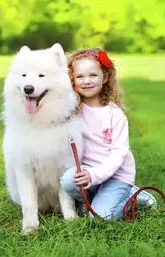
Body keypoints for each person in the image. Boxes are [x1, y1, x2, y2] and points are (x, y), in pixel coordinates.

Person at [60, 47, 157, 220]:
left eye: (93, 75)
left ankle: (133, 198)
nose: (86, 81)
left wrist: (94, 175)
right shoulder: (72, 111)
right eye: (80, 76)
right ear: (72, 80)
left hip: (116, 176)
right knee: (68, 179)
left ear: (104, 77)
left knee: (99, 218)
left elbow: (118, 155)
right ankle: (91, 200)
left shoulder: (114, 115)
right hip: (88, 171)